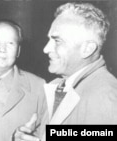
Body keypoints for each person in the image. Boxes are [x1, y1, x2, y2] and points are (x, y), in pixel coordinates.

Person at [13, 2, 117, 141]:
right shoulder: (60, 85)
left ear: (87, 49)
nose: (46, 49)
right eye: (49, 39)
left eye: (57, 41)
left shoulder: (105, 97)